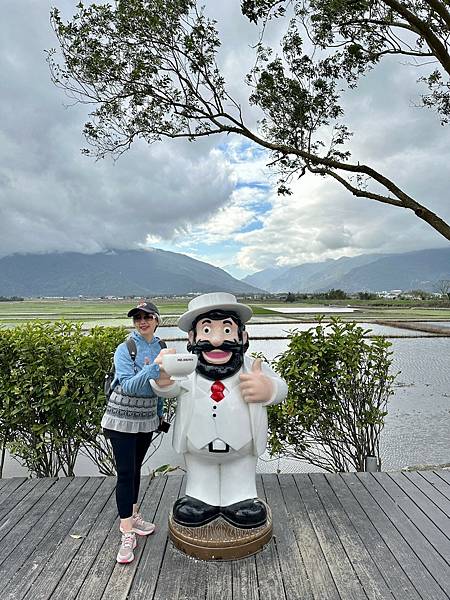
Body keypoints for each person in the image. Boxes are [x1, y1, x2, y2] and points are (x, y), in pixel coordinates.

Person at [153, 292, 287, 529]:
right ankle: (200, 497)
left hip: (242, 448)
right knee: (199, 481)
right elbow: (170, 388)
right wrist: (163, 377)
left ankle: (240, 497)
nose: (216, 340)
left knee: (241, 478)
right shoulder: (186, 369)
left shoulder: (253, 367)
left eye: (226, 330)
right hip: (197, 447)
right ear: (192, 338)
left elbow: (280, 387)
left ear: (242, 337)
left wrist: (268, 389)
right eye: (207, 330)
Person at [101, 300, 172, 564]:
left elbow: (161, 387)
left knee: (137, 469)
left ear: (157, 320)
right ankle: (126, 531)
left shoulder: (161, 347)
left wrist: (159, 414)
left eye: (147, 317)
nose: (142, 322)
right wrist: (155, 367)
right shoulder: (126, 348)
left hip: (145, 419)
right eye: (137, 318)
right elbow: (129, 385)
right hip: (120, 420)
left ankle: (133, 513)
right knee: (126, 473)